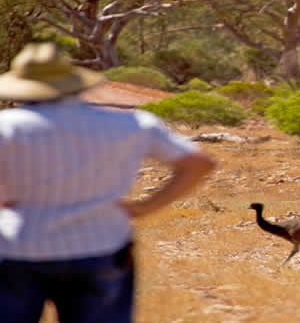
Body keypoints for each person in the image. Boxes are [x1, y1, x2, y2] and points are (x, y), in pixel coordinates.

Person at [0, 43, 216, 322]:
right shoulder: (131, 123)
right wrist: (145, 207)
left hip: (18, 246)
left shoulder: (6, 126)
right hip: (101, 244)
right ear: (75, 82)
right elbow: (200, 163)